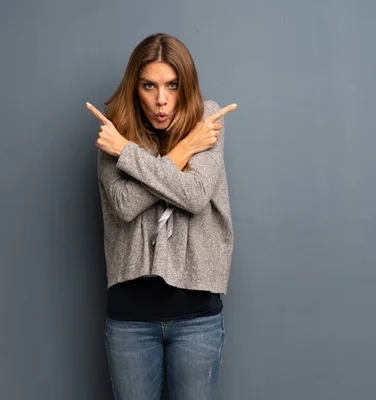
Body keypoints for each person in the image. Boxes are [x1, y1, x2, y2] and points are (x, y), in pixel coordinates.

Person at [87, 32, 236, 400]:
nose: (162, 100)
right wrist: (181, 151)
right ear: (134, 87)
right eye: (149, 86)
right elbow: (124, 204)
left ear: (186, 86)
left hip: (197, 316)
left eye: (172, 85)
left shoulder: (206, 119)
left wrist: (130, 156)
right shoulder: (115, 132)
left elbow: (196, 195)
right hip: (130, 320)